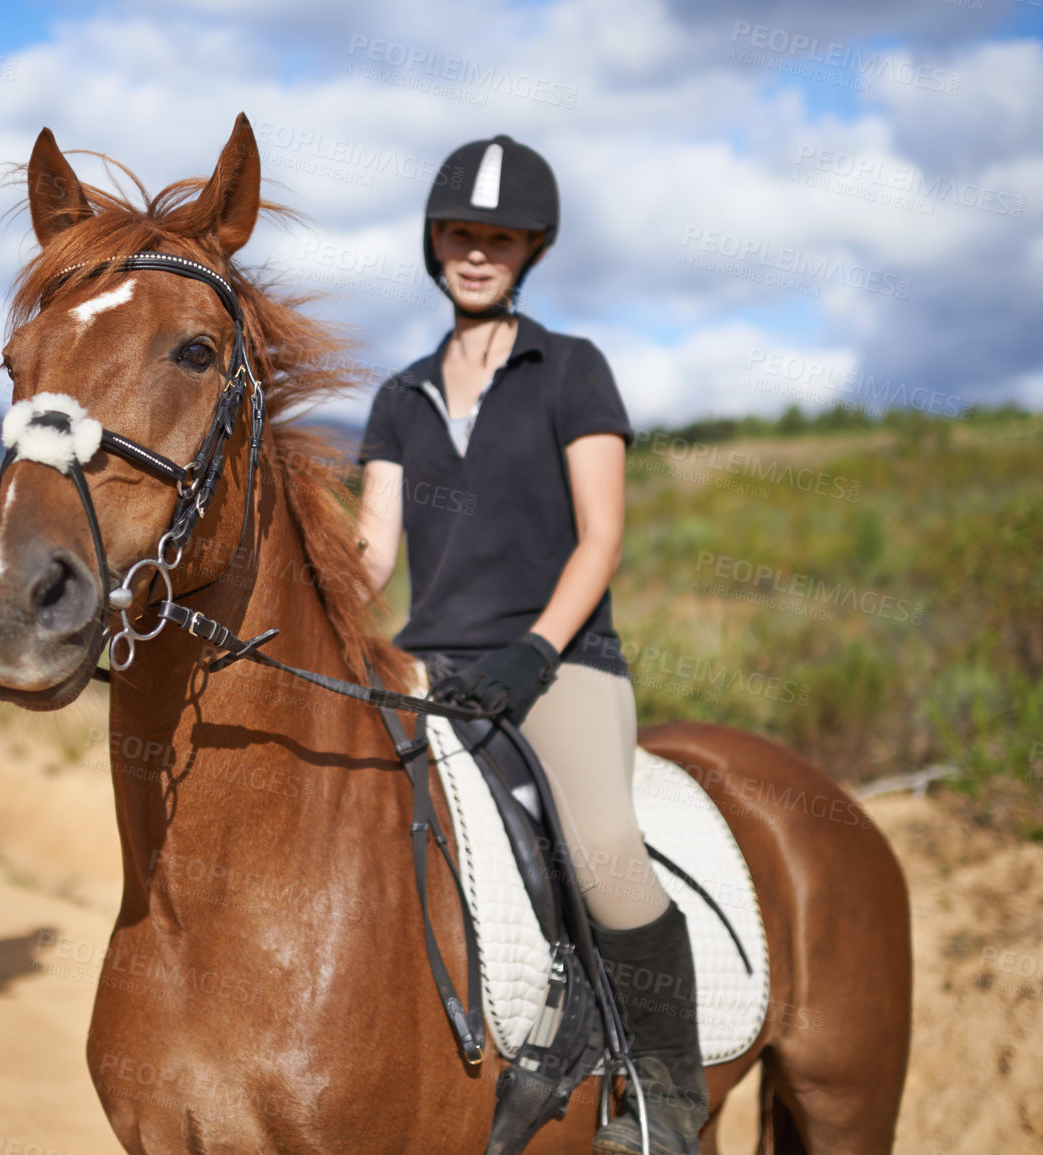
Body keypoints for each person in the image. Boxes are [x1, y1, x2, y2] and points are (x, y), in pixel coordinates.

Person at [356, 135, 707, 1155]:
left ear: (531, 250)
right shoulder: (399, 396)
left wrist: (539, 652)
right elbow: (372, 551)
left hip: (560, 666)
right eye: (462, 234)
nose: (477, 254)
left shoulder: (572, 369)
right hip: (433, 666)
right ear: (435, 242)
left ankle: (666, 1098)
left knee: (602, 855)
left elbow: (601, 536)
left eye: (498, 239)